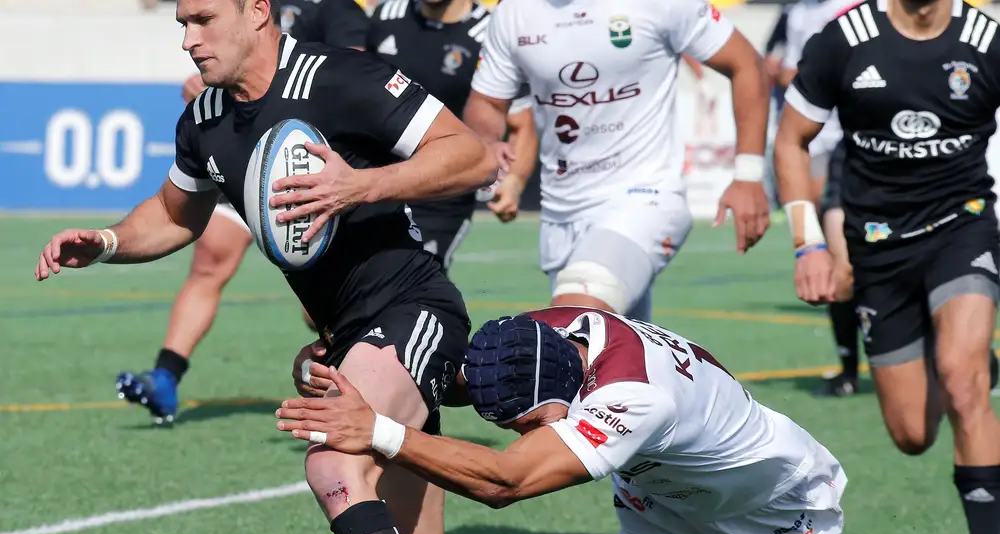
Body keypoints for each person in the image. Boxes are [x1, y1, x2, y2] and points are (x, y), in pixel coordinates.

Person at [34, 1, 497, 534]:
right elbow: (173, 214)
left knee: (335, 462)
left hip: (413, 311)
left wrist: (361, 185)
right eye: (183, 24)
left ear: (256, 11)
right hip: (343, 340)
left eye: (203, 20)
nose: (188, 41)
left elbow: (473, 156)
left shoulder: (343, 76)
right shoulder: (204, 118)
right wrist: (106, 242)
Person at [275, 306, 847, 534]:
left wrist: (376, 428)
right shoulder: (542, 337)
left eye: (532, 424)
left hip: (770, 492)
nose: (526, 437)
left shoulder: (634, 397)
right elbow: (452, 376)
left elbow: (506, 481)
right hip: (660, 503)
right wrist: (345, 369)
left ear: (574, 392)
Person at [774, 0, 1000, 534]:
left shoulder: (986, 40)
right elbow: (791, 140)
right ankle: (951, 349)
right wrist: (809, 244)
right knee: (911, 435)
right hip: (878, 248)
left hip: (962, 227)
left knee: (966, 381)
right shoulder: (844, 39)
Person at [114, 0, 372, 423]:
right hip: (241, 156)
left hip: (310, 174)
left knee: (318, 313)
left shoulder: (333, 8)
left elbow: (352, 75)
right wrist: (209, 89)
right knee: (209, 262)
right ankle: (165, 375)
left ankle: (374, 375)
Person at [462, 0, 772, 323]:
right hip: (560, 215)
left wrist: (749, 175)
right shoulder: (513, 11)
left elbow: (747, 63)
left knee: (571, 328)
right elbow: (487, 101)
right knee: (612, 365)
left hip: (644, 199)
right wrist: (486, 141)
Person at [366, 0, 538, 269]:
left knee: (410, 278)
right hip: (375, 178)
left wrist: (514, 181)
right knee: (327, 304)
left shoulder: (489, 32)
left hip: (442, 190)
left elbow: (522, 123)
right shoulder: (386, 16)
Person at [778, 0, 864, 397]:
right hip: (830, 149)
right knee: (840, 261)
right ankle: (848, 367)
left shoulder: (865, 12)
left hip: (883, 156)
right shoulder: (796, 13)